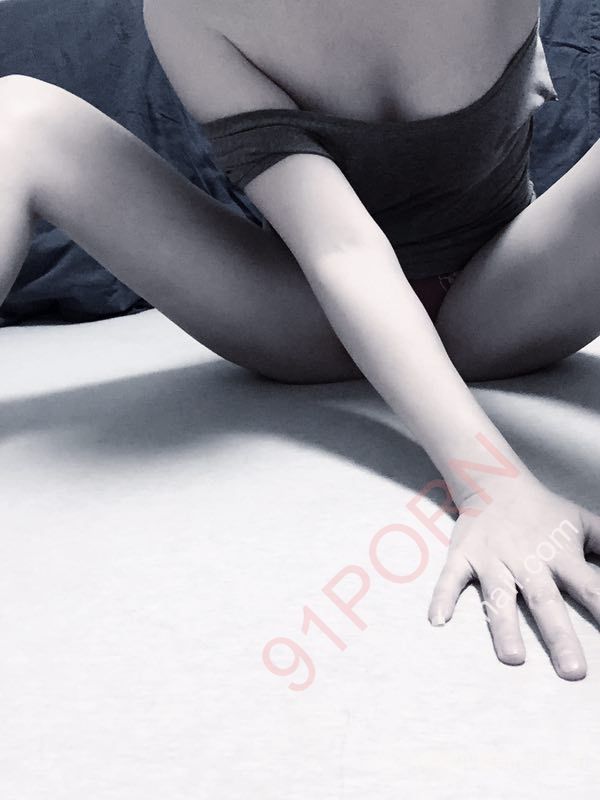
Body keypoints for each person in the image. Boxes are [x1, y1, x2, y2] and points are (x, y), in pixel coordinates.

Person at [0, 0, 599, 680]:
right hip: (316, 320)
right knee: (16, 116)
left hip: (502, 299)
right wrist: (493, 485)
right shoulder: (189, 12)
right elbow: (340, 248)